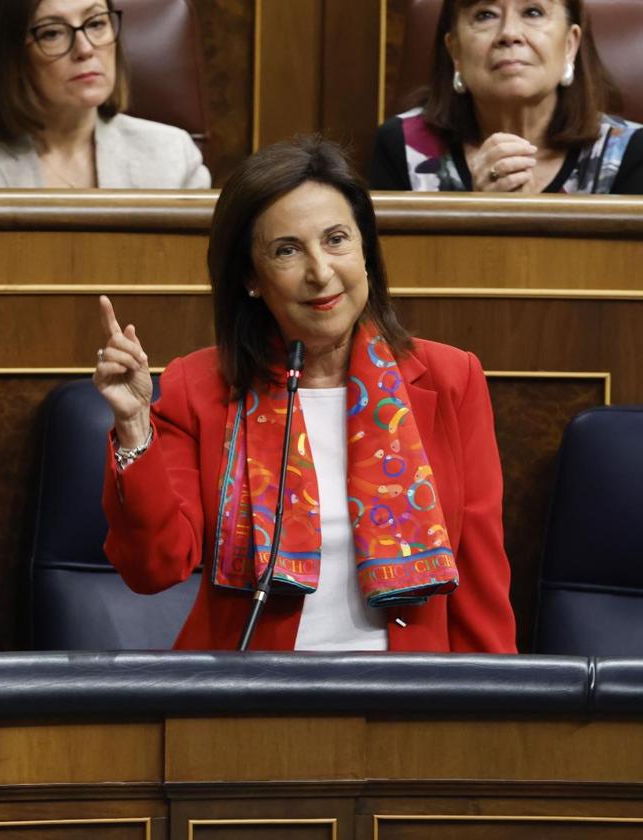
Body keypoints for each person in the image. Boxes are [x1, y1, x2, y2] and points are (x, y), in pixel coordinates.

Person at [94, 136, 516, 653]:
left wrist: (492, 716)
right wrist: (135, 426)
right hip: (251, 699)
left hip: (408, 702)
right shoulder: (198, 388)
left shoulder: (450, 379)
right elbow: (153, 568)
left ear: (366, 251)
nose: (321, 272)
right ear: (252, 277)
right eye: (287, 250)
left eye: (337, 239)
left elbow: (480, 580)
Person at [0, 0, 210, 189]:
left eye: (96, 24)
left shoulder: (172, 156)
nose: (85, 48)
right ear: (9, 56)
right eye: (52, 33)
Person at [369, 0, 642, 194]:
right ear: (456, 53)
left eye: (533, 11)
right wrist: (480, 214)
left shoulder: (629, 154)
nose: (509, 33)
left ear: (570, 46)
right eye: (485, 15)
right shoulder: (402, 149)